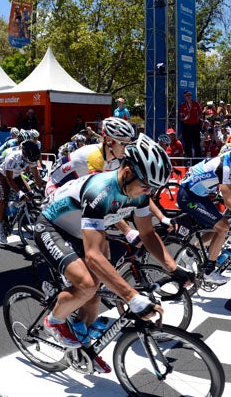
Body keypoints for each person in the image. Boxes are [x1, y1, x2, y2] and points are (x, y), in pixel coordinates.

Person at [34, 135, 191, 358]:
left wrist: (173, 268)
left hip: (79, 229)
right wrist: (132, 297)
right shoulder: (100, 191)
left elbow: (147, 233)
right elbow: (93, 256)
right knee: (87, 285)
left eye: (154, 188)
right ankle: (54, 321)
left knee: (96, 294)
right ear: (127, 173)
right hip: (52, 226)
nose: (149, 193)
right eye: (146, 186)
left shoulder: (139, 192)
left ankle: (82, 346)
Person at [176, 129, 231, 285]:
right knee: (223, 226)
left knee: (217, 227)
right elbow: (229, 201)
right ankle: (209, 272)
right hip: (188, 195)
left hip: (200, 194)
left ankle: (190, 255)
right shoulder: (224, 166)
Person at [177, 90, 202, 158]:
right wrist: (186, 118)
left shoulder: (196, 104)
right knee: (187, 143)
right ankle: (189, 158)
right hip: (186, 126)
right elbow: (181, 118)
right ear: (184, 97)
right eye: (187, 95)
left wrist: (198, 117)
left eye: (190, 95)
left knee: (196, 143)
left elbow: (200, 113)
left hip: (195, 125)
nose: (189, 96)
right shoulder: (183, 106)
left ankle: (198, 158)